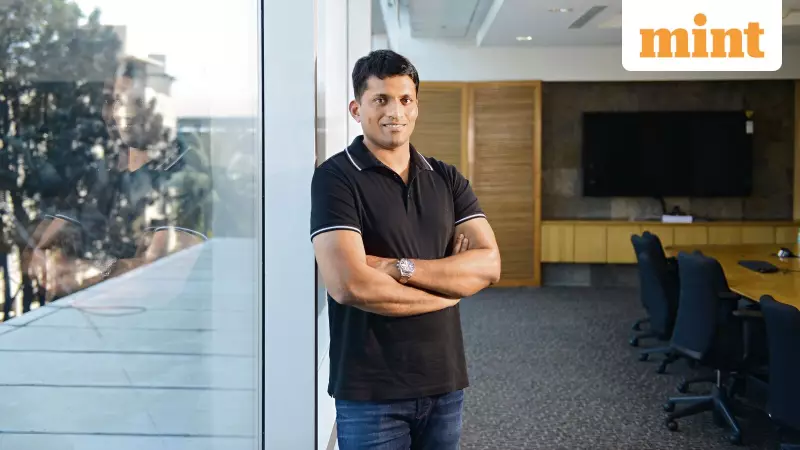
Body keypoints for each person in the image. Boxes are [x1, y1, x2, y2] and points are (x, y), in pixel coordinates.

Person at [311, 49, 502, 449]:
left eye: (405, 99)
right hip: (370, 390)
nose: (394, 111)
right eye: (380, 99)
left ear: (416, 107)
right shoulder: (335, 178)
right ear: (356, 109)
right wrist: (448, 290)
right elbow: (349, 285)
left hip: (444, 381)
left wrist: (398, 268)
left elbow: (488, 265)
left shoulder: (446, 178)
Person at [26, 60, 207, 299]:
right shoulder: (100, 175)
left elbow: (160, 276)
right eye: (114, 101)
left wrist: (88, 271)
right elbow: (45, 242)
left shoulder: (184, 175)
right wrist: (49, 259)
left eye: (137, 101)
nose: (121, 113)